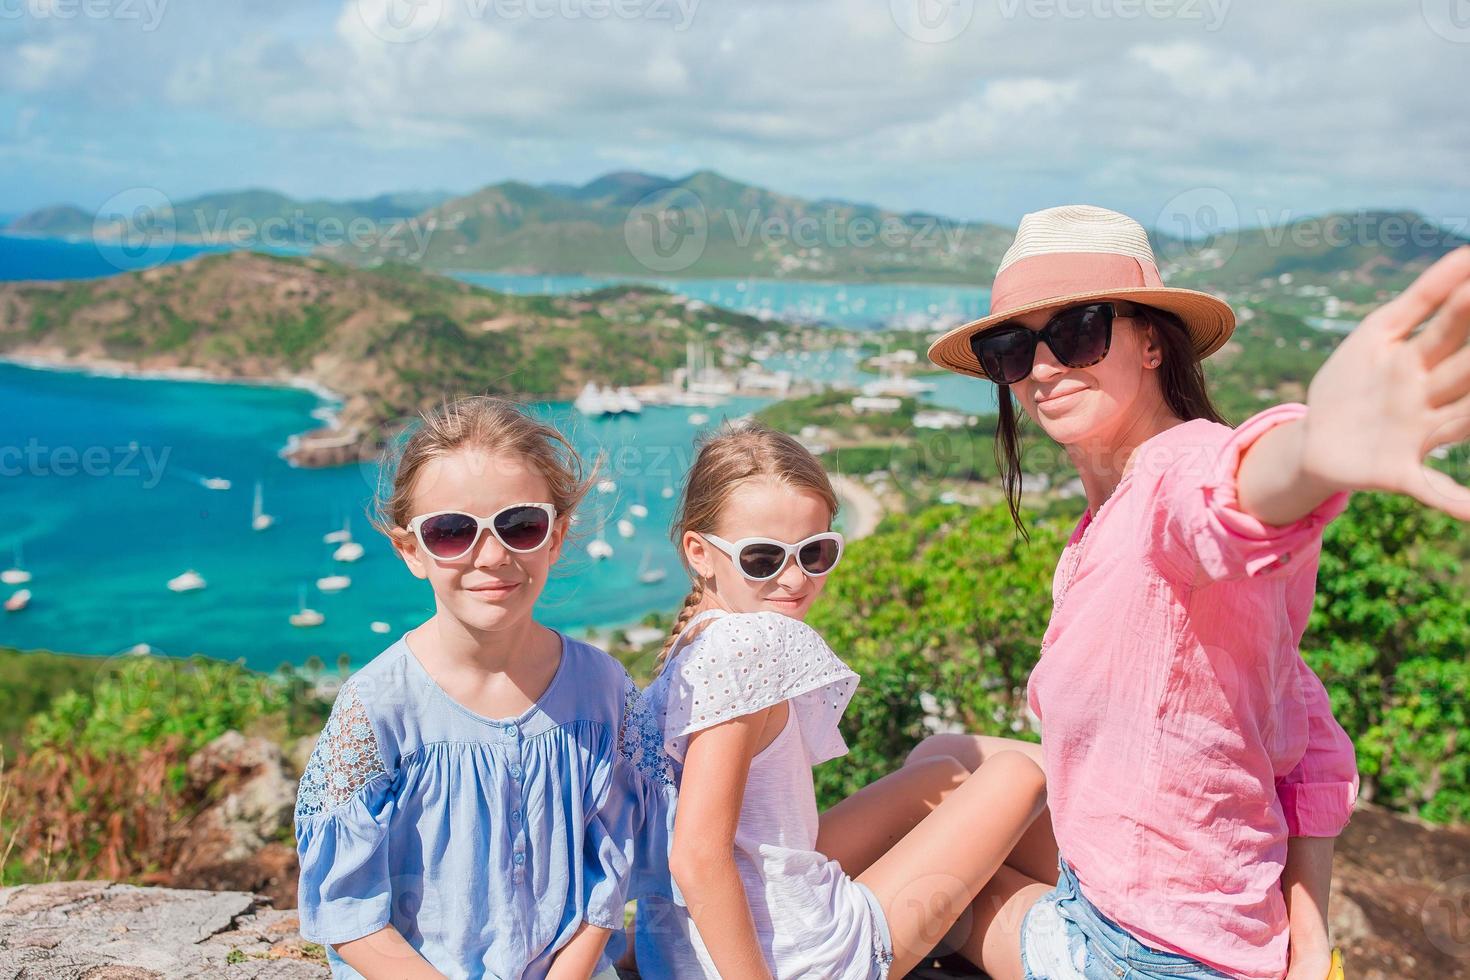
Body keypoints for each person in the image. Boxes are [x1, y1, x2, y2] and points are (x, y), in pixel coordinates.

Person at [918, 205, 1469, 979]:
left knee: (924, 889)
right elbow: (1303, 717)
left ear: (1151, 341)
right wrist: (1307, 942)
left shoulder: (1181, 470)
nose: (1042, 368)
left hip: (1146, 954)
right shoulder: (1099, 520)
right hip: (1171, 916)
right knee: (943, 758)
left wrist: (1315, 452)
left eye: (1077, 331)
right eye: (1011, 347)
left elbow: (1229, 490)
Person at [624, 421, 1051, 979]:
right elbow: (697, 858)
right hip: (800, 960)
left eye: (816, 551)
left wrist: (641, 954)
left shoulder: (695, 641)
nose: (795, 578)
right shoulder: (753, 644)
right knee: (1017, 775)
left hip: (689, 951)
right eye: (763, 559)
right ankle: (1115, 917)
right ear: (700, 554)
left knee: (942, 765)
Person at [293, 396, 645, 980]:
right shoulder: (378, 706)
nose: (492, 554)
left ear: (556, 538)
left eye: (521, 525)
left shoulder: (602, 689)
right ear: (412, 551)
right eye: (452, 532)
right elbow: (346, 907)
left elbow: (607, 872)